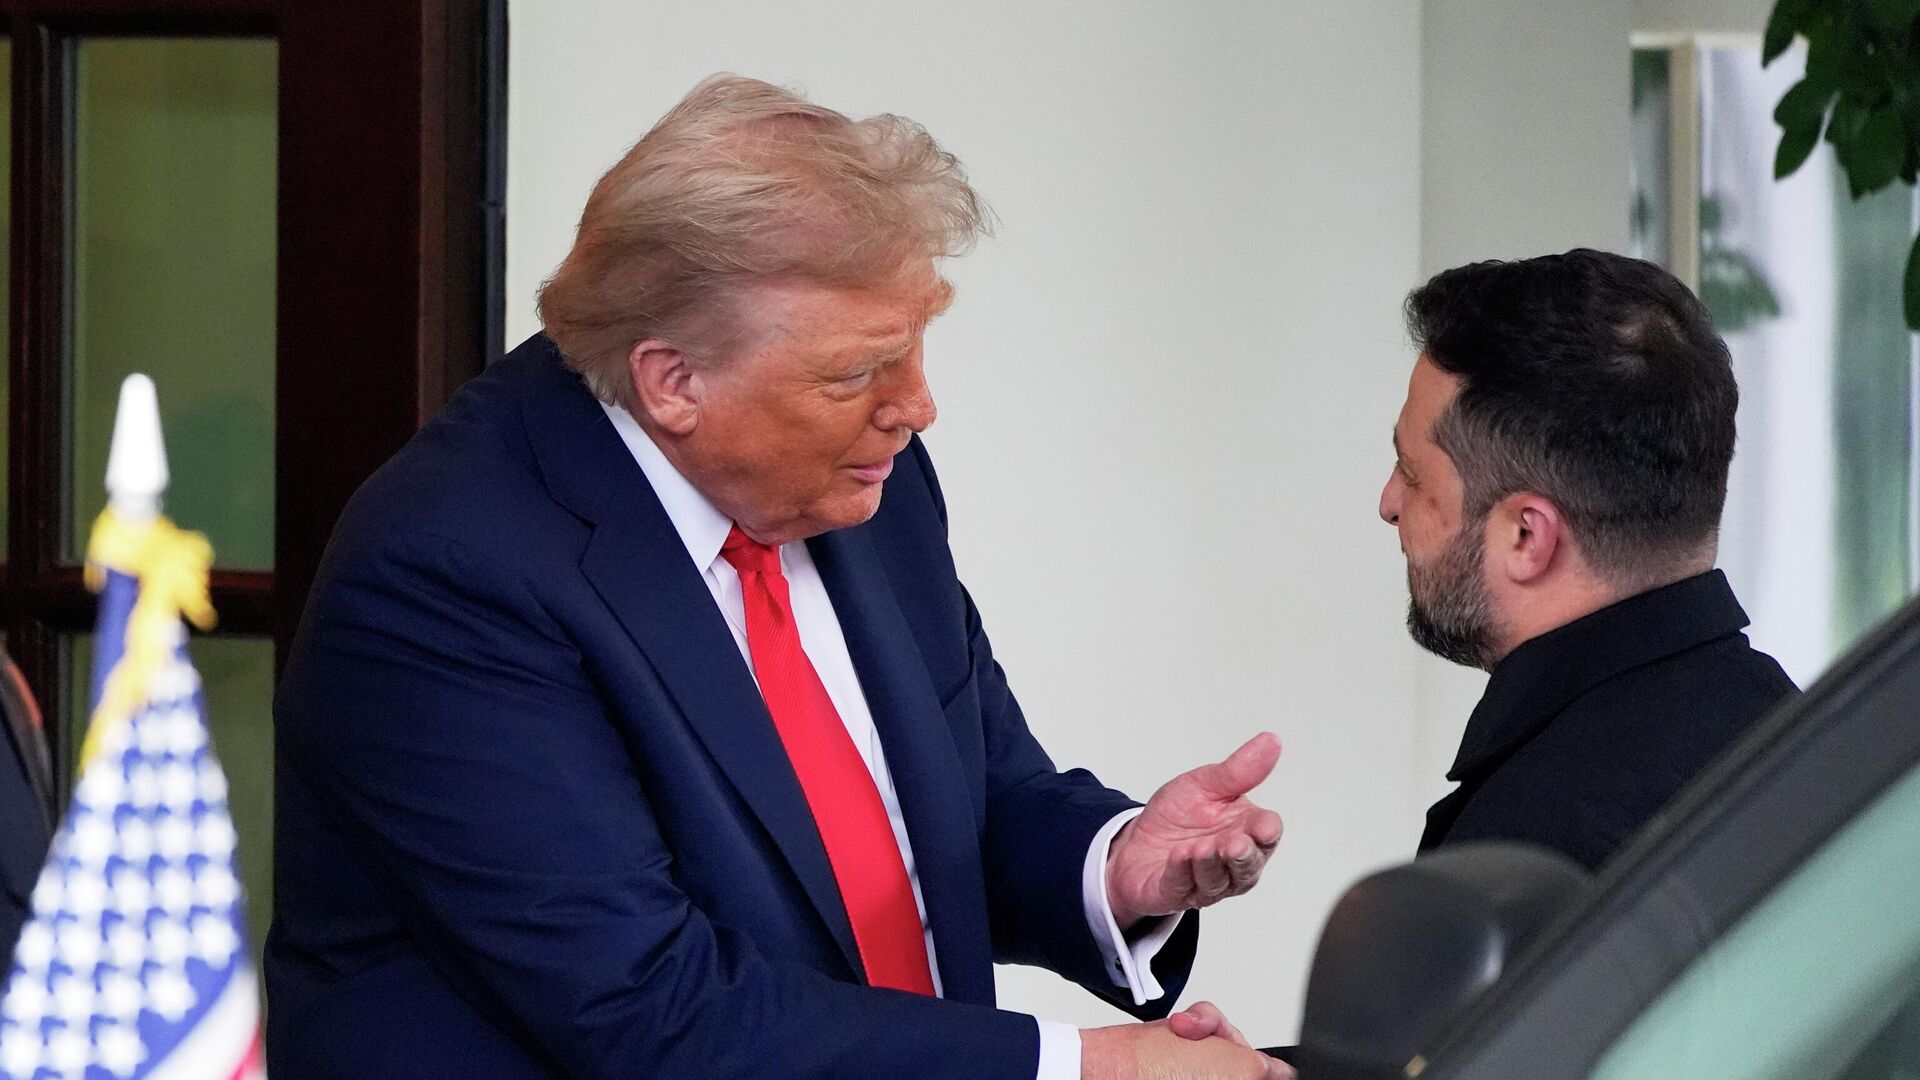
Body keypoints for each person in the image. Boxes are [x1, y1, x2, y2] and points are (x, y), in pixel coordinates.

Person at [266, 75, 1288, 1079]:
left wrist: (1113, 868)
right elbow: (648, 1009)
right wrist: (1091, 1070)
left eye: (913, 350)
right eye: (857, 372)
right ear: (674, 381)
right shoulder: (448, 575)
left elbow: (965, 802)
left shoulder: (860, 481)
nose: (917, 407)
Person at [1380, 249, 1799, 871]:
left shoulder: (1530, 852)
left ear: (1527, 537)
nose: (1389, 503)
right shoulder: (1805, 747)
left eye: (1412, 474)